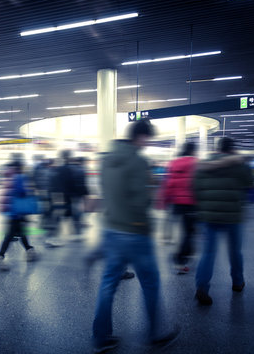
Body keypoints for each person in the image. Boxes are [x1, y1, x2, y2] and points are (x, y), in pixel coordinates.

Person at [92, 119, 179, 353]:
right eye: (147, 139)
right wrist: (151, 190)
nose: (147, 143)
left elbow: (104, 191)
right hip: (135, 232)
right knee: (150, 283)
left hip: (111, 228)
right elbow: (142, 201)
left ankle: (101, 337)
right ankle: (157, 334)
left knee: (108, 283)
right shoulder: (138, 161)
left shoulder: (106, 158)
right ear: (140, 137)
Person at [193, 137, 254, 306]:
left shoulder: (203, 165)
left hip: (208, 217)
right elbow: (249, 183)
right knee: (235, 251)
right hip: (233, 216)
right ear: (232, 149)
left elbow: (195, 189)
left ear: (217, 148)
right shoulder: (239, 165)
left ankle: (202, 287)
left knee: (208, 253)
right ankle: (237, 282)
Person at [0, 160, 37, 271]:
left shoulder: (7, 176)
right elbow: (22, 192)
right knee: (10, 235)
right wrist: (30, 191)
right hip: (17, 211)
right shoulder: (19, 177)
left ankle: (30, 250)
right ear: (19, 167)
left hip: (10, 210)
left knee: (20, 232)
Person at [161, 142, 198, 274]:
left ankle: (185, 254)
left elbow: (168, 183)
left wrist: (164, 200)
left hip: (176, 202)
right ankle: (180, 259)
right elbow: (198, 184)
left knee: (185, 231)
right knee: (189, 232)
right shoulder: (195, 163)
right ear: (193, 151)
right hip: (191, 203)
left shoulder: (173, 163)